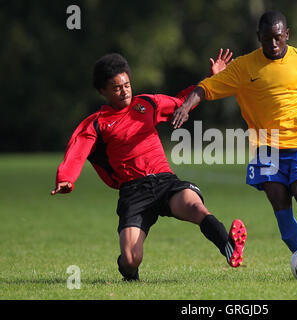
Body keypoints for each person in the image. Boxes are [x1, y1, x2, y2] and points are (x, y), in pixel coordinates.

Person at [172, 11, 297, 277]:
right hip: (266, 146)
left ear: (287, 34)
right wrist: (186, 106)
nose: (273, 44)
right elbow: (205, 88)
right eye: (267, 39)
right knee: (279, 201)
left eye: (278, 37)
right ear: (259, 37)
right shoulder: (243, 68)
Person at [51, 50, 247, 281]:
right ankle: (129, 274)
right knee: (131, 258)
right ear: (103, 91)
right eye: (116, 88)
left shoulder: (145, 104)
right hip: (134, 193)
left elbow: (181, 103)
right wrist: (66, 178)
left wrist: (209, 78)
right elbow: (77, 149)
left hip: (165, 181)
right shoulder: (98, 123)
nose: (124, 91)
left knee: (196, 208)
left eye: (127, 84)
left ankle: (229, 247)